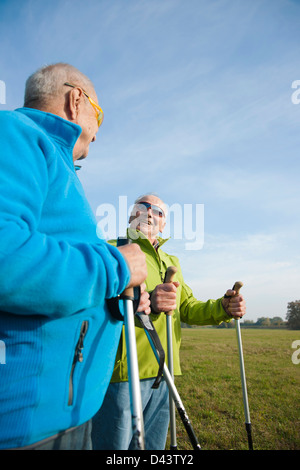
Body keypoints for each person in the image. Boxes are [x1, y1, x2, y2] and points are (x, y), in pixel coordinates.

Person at [0, 63, 150, 450]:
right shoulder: (14, 134)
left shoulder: (60, 166)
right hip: (27, 425)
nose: (98, 133)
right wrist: (117, 266)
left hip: (69, 415)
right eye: (99, 116)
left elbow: (67, 277)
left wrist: (121, 298)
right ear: (76, 100)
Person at [92, 193, 246, 450]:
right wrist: (146, 301)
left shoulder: (172, 262)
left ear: (164, 225)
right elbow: (96, 302)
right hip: (123, 375)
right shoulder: (110, 249)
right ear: (131, 215)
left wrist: (223, 307)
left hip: (165, 373)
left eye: (158, 212)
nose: (149, 213)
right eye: (142, 207)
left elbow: (187, 307)